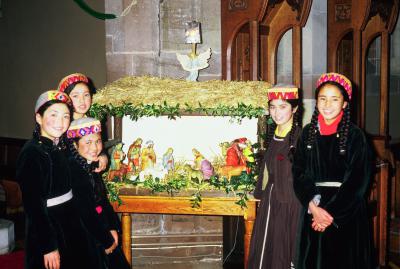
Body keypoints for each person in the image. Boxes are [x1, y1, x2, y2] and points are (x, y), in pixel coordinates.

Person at [292, 73, 373, 269]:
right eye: (322, 98)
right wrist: (312, 207)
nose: (327, 104)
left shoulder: (355, 136)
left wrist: (328, 214)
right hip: (313, 208)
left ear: (345, 103)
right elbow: (298, 172)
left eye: (334, 99)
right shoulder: (307, 133)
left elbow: (357, 181)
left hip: (344, 214)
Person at [16, 90, 94, 269]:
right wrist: (48, 246)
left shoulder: (62, 146)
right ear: (38, 117)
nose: (61, 122)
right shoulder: (32, 153)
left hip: (70, 221)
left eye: (66, 116)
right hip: (49, 225)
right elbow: (34, 207)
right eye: (54, 114)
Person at [248, 85, 302, 269]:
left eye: (283, 106)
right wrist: (258, 193)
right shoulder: (274, 136)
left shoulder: (300, 139)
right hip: (270, 203)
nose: (276, 112)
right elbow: (266, 171)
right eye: (272, 107)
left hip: (290, 206)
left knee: (282, 254)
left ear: (294, 108)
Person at [66, 117, 130, 269]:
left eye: (98, 141)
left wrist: (112, 228)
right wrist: (106, 240)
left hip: (100, 231)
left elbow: (102, 201)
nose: (94, 148)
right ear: (75, 145)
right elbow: (85, 212)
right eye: (88, 142)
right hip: (85, 237)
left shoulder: (90, 165)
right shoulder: (74, 171)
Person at [57, 72, 108, 173]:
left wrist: (103, 156)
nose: (82, 100)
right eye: (75, 96)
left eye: (86, 95)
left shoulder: (92, 122)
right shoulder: (60, 127)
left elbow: (99, 147)